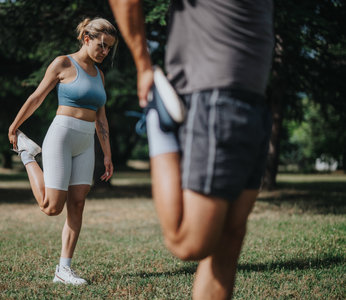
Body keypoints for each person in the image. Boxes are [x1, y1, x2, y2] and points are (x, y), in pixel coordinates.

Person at [109, 0, 274, 298]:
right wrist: (143, 65)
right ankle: (159, 123)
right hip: (213, 97)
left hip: (255, 102)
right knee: (188, 243)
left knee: (230, 236)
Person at [8, 17, 117, 285]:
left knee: (77, 204)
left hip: (86, 142)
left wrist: (107, 154)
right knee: (51, 207)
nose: (104, 52)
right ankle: (28, 155)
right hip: (62, 136)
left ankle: (63, 269)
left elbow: (101, 119)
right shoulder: (63, 63)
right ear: (87, 38)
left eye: (109, 48)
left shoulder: (99, 75)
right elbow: (36, 97)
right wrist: (14, 126)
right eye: (102, 45)